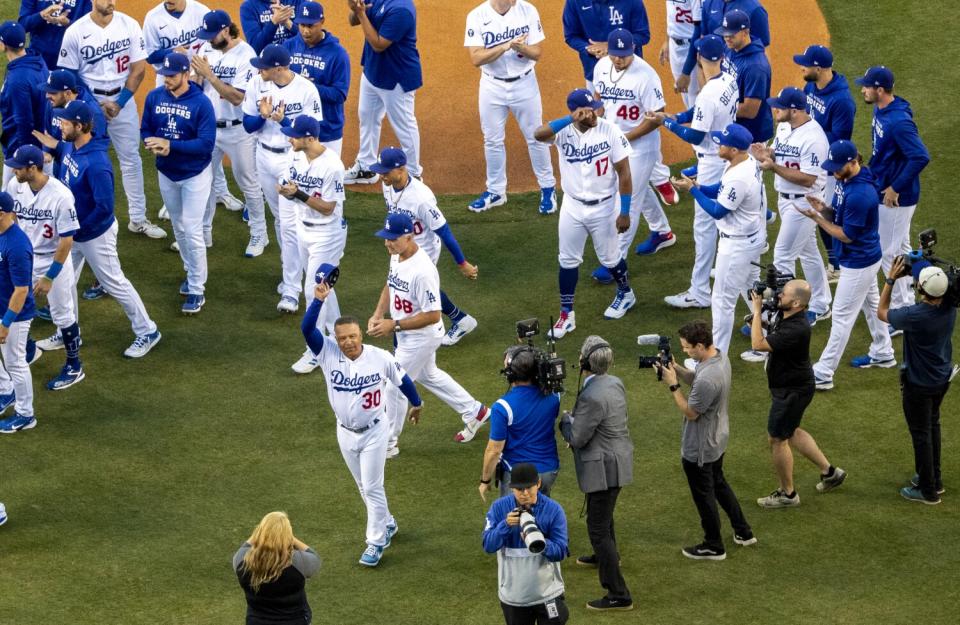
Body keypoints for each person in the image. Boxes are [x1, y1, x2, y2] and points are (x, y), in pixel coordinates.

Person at [301, 279, 423, 565]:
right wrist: (318, 300)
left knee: (372, 486)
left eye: (353, 336)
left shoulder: (378, 357)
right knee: (362, 485)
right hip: (345, 432)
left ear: (361, 335)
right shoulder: (327, 353)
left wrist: (417, 403)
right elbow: (307, 329)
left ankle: (376, 541)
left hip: (375, 431)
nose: (348, 342)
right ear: (336, 338)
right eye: (342, 337)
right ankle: (387, 521)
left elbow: (402, 379)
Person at [368, 213, 488, 454]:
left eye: (393, 238)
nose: (387, 243)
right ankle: (476, 411)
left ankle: (388, 443)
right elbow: (390, 283)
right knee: (428, 375)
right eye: (386, 238)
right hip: (408, 334)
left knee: (395, 383)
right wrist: (378, 314)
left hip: (422, 336)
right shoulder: (397, 255)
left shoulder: (423, 271)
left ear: (410, 236)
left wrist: (394, 325)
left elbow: (434, 315)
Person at [55, 100, 162, 359]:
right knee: (65, 280)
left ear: (79, 126)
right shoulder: (69, 146)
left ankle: (148, 331)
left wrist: (78, 230)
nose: (60, 124)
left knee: (113, 281)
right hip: (74, 231)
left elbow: (104, 207)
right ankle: (68, 330)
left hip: (94, 234)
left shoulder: (97, 163)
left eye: (65, 122)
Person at [58, 0, 166, 240]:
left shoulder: (129, 25)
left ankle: (138, 219)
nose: (112, 3)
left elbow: (139, 68)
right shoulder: (75, 31)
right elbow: (70, 74)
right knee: (79, 161)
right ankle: (71, 218)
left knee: (131, 159)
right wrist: (94, 107)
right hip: (87, 105)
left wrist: (119, 102)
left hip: (122, 102)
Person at [533, 89, 636, 339]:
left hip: (604, 205)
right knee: (567, 260)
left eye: (595, 108)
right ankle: (567, 314)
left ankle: (625, 293)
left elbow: (624, 173)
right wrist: (570, 119)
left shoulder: (609, 130)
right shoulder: (563, 131)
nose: (595, 113)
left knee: (610, 258)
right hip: (572, 206)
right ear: (577, 112)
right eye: (589, 110)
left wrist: (624, 211)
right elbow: (538, 134)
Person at [654, 320, 756, 560]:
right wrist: (676, 368)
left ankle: (713, 544)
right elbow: (697, 380)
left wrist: (672, 385)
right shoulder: (717, 358)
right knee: (719, 483)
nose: (685, 351)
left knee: (704, 496)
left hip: (700, 446)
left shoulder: (709, 377)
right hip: (717, 439)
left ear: (700, 345)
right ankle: (743, 531)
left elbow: (691, 411)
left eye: (688, 348)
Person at [561, 0, 678, 208]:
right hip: (595, 71)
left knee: (642, 128)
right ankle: (612, 170)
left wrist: (611, 47)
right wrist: (589, 48)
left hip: (631, 76)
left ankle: (660, 178)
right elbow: (571, 36)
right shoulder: (576, 2)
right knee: (605, 122)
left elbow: (644, 35)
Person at [649, 34, 737, 311]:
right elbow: (699, 113)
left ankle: (699, 291)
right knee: (724, 220)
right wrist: (675, 116)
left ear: (699, 57)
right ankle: (723, 272)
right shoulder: (729, 79)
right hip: (727, 159)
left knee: (704, 226)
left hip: (711, 160)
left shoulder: (709, 93)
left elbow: (697, 136)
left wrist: (667, 124)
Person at [799, 140, 896, 390]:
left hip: (859, 260)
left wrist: (817, 218)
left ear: (854, 162)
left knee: (841, 317)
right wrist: (825, 209)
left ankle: (823, 372)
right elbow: (841, 216)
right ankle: (883, 351)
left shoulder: (860, 194)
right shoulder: (848, 180)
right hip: (865, 257)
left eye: (837, 167)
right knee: (872, 303)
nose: (833, 172)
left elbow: (845, 235)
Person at [747, 280, 847, 508]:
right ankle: (829, 472)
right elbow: (774, 333)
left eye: (784, 294)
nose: (779, 295)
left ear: (797, 303)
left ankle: (788, 494)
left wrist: (755, 310)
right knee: (790, 431)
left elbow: (758, 344)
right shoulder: (789, 316)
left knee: (777, 438)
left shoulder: (797, 327)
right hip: (793, 387)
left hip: (792, 391)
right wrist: (760, 319)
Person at [241, 43, 323, 313]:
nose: (259, 70)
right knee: (281, 220)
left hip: (291, 160)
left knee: (288, 225)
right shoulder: (256, 84)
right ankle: (295, 271)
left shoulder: (306, 89)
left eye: (264, 66)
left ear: (278, 68)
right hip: (263, 157)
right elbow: (248, 124)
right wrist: (264, 117)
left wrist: (283, 121)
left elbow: (311, 134)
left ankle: (291, 290)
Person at [671, 123, 765, 356]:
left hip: (737, 245)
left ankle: (716, 357)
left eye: (723, 142)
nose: (718, 144)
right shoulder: (743, 161)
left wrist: (693, 191)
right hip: (750, 238)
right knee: (753, 290)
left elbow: (717, 211)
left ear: (734, 150)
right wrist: (697, 186)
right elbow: (720, 188)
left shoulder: (739, 177)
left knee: (723, 301)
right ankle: (766, 336)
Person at [371, 147, 480, 347]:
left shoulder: (421, 198)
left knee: (410, 286)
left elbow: (444, 231)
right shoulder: (387, 185)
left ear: (401, 169)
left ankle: (435, 326)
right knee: (412, 285)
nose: (381, 175)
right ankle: (462, 320)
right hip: (400, 244)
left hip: (423, 249)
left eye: (385, 171)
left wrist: (462, 262)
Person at [591, 29, 676, 286]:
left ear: (633, 51)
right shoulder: (602, 66)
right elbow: (598, 97)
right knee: (640, 190)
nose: (619, 60)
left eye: (624, 56)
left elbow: (656, 117)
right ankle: (663, 232)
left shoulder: (647, 76)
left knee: (629, 200)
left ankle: (615, 260)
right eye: (615, 55)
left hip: (641, 146)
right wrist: (596, 121)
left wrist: (626, 137)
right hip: (615, 140)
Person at [559, 336, 634, 612]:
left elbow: (577, 438)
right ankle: (607, 557)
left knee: (598, 528)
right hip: (617, 459)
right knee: (603, 517)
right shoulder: (615, 383)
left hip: (603, 467)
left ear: (584, 362)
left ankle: (619, 593)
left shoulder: (591, 395)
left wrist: (565, 422)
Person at [749, 86, 832, 331]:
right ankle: (821, 302)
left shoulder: (814, 138)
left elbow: (808, 178)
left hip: (805, 202)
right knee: (808, 252)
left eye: (779, 106)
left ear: (794, 111)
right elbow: (781, 149)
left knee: (782, 258)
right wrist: (768, 153)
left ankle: (782, 317)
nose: (774, 108)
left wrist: (772, 166)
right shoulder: (786, 126)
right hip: (786, 199)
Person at [140, 52, 217, 315]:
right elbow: (145, 129)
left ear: (186, 75)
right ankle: (190, 270)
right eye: (164, 75)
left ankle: (197, 288)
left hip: (194, 174)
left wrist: (170, 145)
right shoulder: (154, 97)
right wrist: (151, 144)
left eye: (172, 76)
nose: (166, 79)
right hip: (166, 173)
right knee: (178, 226)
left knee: (192, 230)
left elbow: (206, 145)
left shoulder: (202, 103)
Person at [463, 0, 556, 215]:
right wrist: (505, 46)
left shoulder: (527, 10)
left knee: (536, 136)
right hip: (491, 85)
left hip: (525, 83)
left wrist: (522, 47)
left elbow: (538, 53)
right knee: (492, 139)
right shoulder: (476, 16)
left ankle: (548, 187)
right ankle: (496, 192)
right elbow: (476, 58)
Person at [4, 145, 84, 391]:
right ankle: (29, 350)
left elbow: (67, 239)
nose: (14, 170)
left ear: (33, 168)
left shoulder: (61, 195)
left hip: (53, 259)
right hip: (24, 256)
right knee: (13, 302)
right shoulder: (15, 187)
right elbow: (11, 220)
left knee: (62, 314)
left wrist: (50, 276)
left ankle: (74, 366)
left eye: (19, 167)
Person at [879, 256, 955, 505]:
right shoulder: (950, 304)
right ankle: (934, 479)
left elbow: (882, 312)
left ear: (920, 288)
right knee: (932, 426)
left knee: (921, 434)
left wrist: (890, 279)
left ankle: (928, 490)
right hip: (941, 378)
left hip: (919, 384)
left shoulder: (916, 315)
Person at [855, 66, 930, 314]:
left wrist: (895, 188)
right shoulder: (882, 107)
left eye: (866, 86)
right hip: (884, 185)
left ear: (880, 89)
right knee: (901, 248)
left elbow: (920, 156)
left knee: (888, 252)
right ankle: (914, 292)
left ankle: (900, 308)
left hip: (897, 198)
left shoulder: (899, 122)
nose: (863, 90)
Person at [192, 9, 266, 258]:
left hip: (238, 129)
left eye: (213, 34)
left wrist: (209, 76)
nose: (209, 39)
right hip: (209, 129)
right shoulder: (206, 49)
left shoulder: (246, 55)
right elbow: (195, 83)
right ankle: (203, 233)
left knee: (248, 183)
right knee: (204, 182)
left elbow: (238, 97)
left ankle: (259, 232)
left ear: (226, 30)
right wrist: (194, 77)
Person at [279, 115, 347, 373]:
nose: (290, 138)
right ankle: (340, 329)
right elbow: (285, 183)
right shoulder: (294, 154)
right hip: (302, 227)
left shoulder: (332, 166)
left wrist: (298, 194)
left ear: (310, 138)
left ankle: (316, 351)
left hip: (327, 234)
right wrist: (286, 190)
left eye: (294, 135)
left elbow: (329, 208)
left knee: (312, 290)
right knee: (322, 284)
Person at [794, 44, 856, 282]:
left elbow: (841, 140)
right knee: (821, 215)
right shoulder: (810, 85)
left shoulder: (841, 101)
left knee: (829, 215)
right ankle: (835, 262)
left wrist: (809, 138)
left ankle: (838, 265)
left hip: (829, 170)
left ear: (818, 69)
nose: (802, 67)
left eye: (806, 64)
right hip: (812, 161)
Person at [344, 0, 423, 183]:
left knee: (404, 126)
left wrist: (362, 14)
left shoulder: (402, 9)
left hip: (397, 78)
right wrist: (355, 9)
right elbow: (352, 20)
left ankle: (413, 173)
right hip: (373, 72)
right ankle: (366, 167)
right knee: (367, 118)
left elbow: (378, 44)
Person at [482, 462, 569, 625]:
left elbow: (561, 551)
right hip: (514, 597)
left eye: (529, 487)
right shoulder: (499, 508)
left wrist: (540, 542)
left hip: (548, 595)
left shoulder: (554, 510)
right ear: (512, 487)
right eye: (519, 489)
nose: (524, 493)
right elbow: (488, 544)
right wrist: (505, 526)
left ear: (538, 484)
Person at [478, 344, 560, 500]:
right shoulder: (555, 395)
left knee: (514, 520)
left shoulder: (502, 407)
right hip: (549, 470)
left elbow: (494, 450)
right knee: (540, 516)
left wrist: (485, 479)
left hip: (519, 476)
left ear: (510, 375)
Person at [283, 1, 351, 155]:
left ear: (322, 22)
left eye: (310, 26)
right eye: (302, 25)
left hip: (327, 131)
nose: (306, 31)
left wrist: (309, 87)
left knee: (327, 177)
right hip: (297, 130)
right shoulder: (289, 46)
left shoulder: (338, 54)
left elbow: (340, 95)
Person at [234, 511, 321, 624]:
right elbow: (315, 558)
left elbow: (244, 547)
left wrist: (261, 534)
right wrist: (292, 539)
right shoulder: (299, 562)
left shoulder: (242, 560)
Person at [0, 191, 37, 434]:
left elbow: (22, 290)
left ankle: (26, 414)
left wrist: (5, 323)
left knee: (15, 362)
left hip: (15, 315)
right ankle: (5, 391)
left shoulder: (17, 245)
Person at [34, 69, 109, 180]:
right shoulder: (53, 103)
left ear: (68, 93)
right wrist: (48, 152)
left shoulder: (92, 113)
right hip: (60, 166)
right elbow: (48, 133)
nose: (47, 96)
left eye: (52, 92)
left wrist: (58, 146)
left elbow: (96, 147)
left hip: (81, 171)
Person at [0, 21, 49, 188]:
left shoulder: (18, 80)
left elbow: (23, 121)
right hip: (42, 144)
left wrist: (23, 159)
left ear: (3, 45)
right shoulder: (36, 59)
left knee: (7, 201)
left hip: (22, 149)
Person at [714, 10, 771, 143]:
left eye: (731, 34)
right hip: (733, 124)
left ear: (745, 32)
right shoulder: (731, 46)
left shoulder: (756, 67)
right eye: (725, 33)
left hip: (751, 136)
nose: (727, 38)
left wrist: (717, 109)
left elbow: (750, 110)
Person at [18, 0, 92, 70]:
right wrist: (42, 15)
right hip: (38, 61)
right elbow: (22, 26)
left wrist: (68, 23)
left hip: (69, 63)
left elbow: (88, 32)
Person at [660, 0, 702, 109]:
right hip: (675, 46)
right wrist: (667, 40)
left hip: (692, 47)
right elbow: (671, 14)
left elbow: (699, 29)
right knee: (685, 95)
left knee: (695, 97)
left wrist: (686, 72)